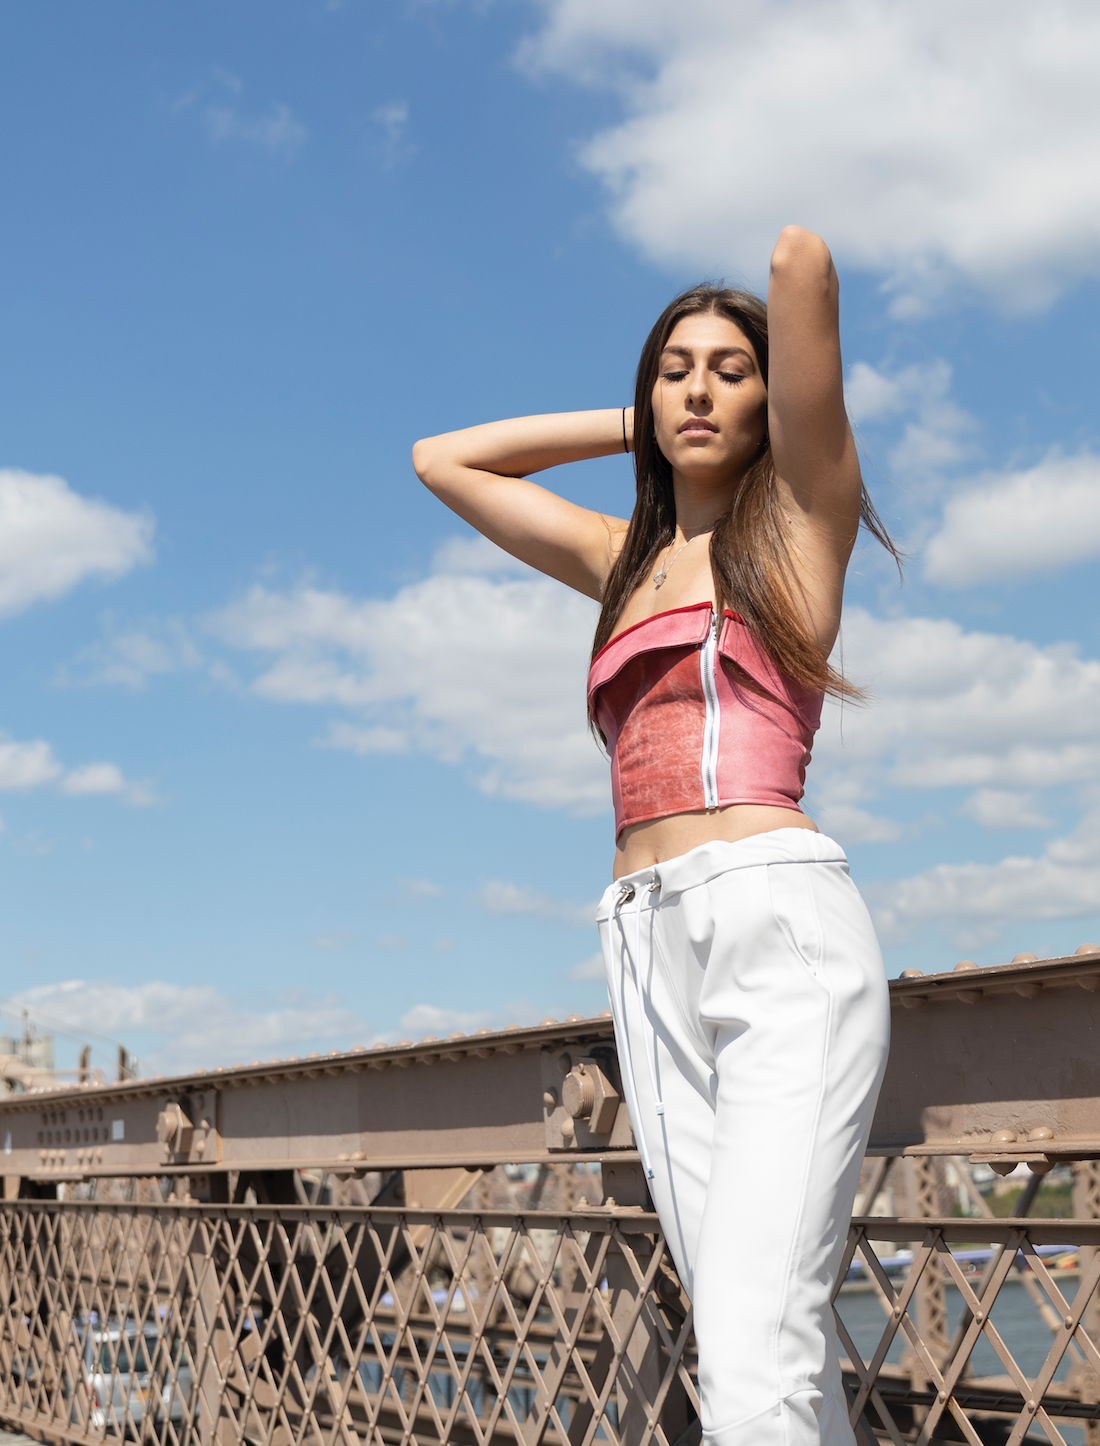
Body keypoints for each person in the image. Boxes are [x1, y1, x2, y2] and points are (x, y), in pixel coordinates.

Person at [412, 226, 895, 1446]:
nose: (698, 386)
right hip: (640, 946)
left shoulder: (797, 529)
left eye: (729, 370)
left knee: (752, 1337)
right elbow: (444, 461)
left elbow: (802, 268)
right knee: (748, 1329)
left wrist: (765, 386)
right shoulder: (621, 565)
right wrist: (643, 419)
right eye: (674, 365)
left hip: (771, 919)